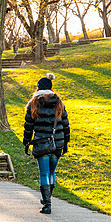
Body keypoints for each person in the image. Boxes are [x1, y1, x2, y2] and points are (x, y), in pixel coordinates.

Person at [23, 73, 70, 214]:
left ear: (39, 88)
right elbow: (66, 125)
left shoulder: (34, 103)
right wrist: (66, 142)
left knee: (44, 173)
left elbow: (28, 126)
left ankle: (47, 204)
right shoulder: (59, 102)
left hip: (42, 142)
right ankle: (47, 198)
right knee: (51, 172)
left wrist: (26, 142)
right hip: (58, 142)